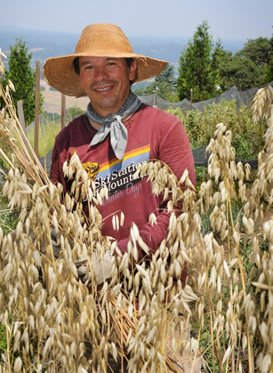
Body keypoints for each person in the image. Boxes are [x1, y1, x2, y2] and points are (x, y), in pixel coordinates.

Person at [43, 23, 198, 371]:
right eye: (89, 67)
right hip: (101, 309)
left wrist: (118, 256)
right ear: (81, 79)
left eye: (111, 64)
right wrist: (61, 246)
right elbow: (56, 214)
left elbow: (179, 209)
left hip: (163, 302)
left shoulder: (164, 129)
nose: (101, 76)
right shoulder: (67, 142)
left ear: (131, 70)